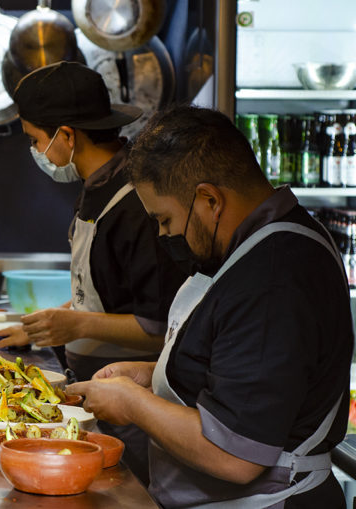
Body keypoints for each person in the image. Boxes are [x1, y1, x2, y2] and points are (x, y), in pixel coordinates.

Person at [68, 105, 353, 508]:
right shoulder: (252, 247)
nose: (164, 235)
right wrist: (154, 375)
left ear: (209, 200)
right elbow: (247, 367)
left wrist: (132, 403)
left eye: (165, 220)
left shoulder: (273, 275)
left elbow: (237, 455)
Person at [0, 61, 187, 483]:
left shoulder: (137, 204)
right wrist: (46, 326)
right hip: (96, 392)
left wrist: (75, 323)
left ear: (66, 135)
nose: (35, 152)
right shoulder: (96, 185)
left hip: (131, 402)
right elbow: (102, 292)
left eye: (35, 140)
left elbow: (160, 327)